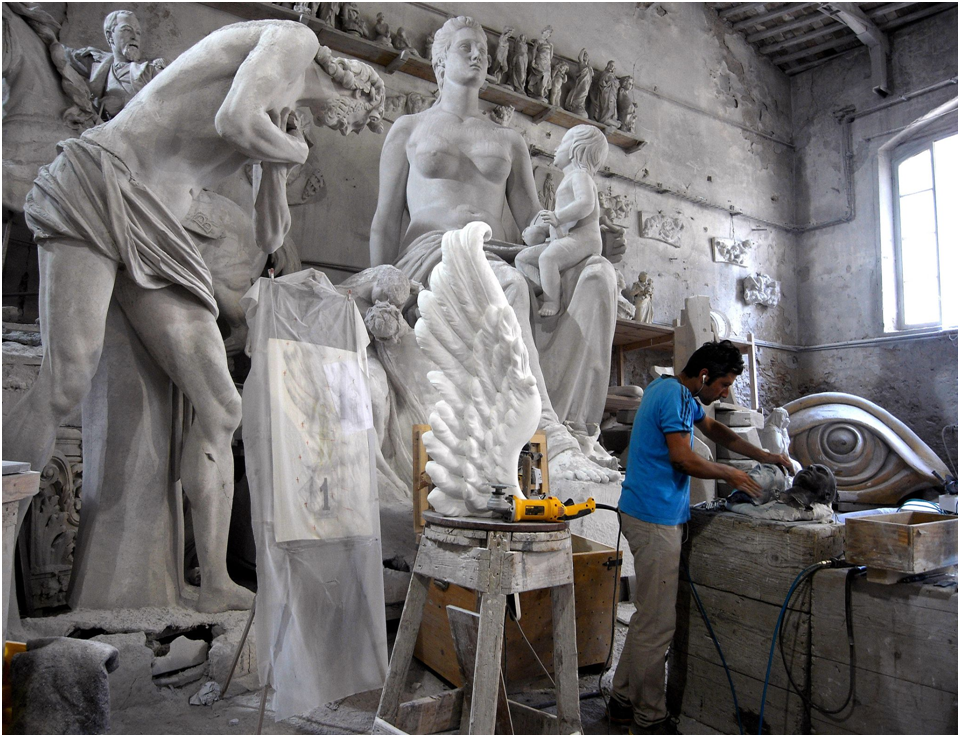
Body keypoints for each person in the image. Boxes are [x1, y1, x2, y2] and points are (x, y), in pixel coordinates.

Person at [3, 20, 385, 613]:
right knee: (66, 378)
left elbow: (272, 234)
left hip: (160, 231)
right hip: (103, 181)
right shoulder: (293, 41)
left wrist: (279, 165)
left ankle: (212, 584)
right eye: (361, 118)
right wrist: (292, 149)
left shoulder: (278, 117)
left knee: (220, 405)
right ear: (355, 87)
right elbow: (234, 117)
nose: (354, 129)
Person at [369, 15, 618, 483]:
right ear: (440, 60)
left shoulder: (509, 140)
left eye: (481, 49)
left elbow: (532, 223)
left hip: (499, 250)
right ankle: (548, 435)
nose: (478, 54)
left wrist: (581, 232)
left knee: (599, 275)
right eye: (465, 46)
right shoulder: (409, 129)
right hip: (432, 252)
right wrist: (383, 286)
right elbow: (386, 217)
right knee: (506, 284)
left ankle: (581, 430)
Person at [609, 340, 791, 735]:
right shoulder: (672, 395)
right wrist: (733, 475)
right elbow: (683, 457)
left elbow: (716, 430)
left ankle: (622, 700)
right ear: (704, 375)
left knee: (647, 619)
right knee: (658, 626)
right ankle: (649, 716)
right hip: (653, 519)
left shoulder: (681, 395)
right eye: (723, 385)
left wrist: (764, 456)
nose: (725, 393)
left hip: (654, 514)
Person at [516, 125, 607, 317]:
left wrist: (558, 217)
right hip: (567, 239)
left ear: (575, 150)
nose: (556, 149)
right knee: (523, 258)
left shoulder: (580, 176)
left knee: (547, 258)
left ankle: (552, 301)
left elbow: (585, 204)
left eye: (562, 143)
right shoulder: (569, 178)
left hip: (584, 239)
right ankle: (547, 289)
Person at [63, 10, 165, 121]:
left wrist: (123, 103)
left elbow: (166, 108)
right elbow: (64, 54)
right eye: (127, 30)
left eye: (138, 32)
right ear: (109, 35)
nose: (134, 37)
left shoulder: (151, 71)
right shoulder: (98, 65)